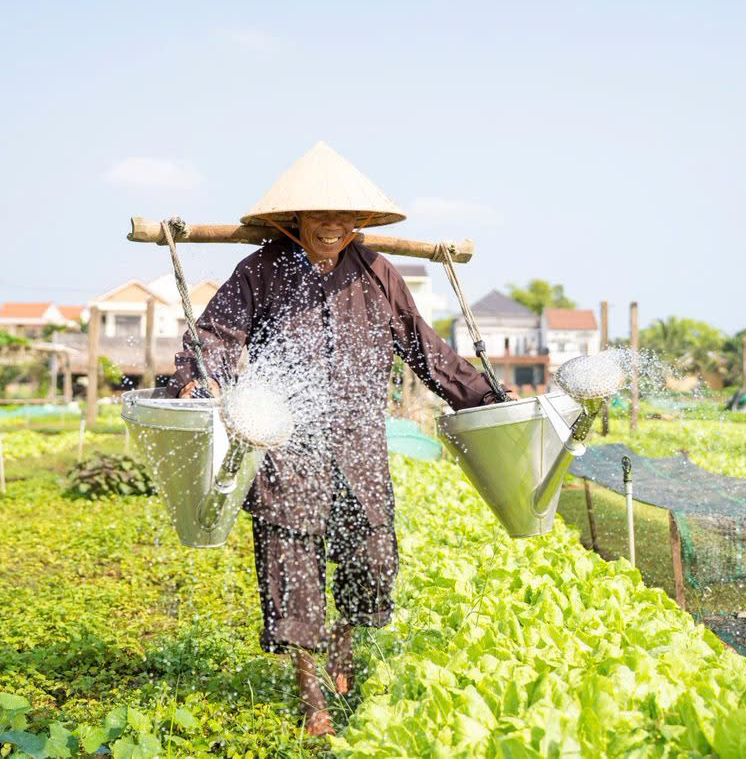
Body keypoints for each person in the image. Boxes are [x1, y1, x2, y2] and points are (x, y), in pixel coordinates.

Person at [169, 142, 504, 736]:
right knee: (291, 560)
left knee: (372, 555)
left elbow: (428, 350)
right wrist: (198, 376)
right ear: (294, 218)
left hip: (360, 447)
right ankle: (310, 691)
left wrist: (486, 398)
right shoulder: (261, 270)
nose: (334, 227)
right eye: (320, 216)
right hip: (286, 448)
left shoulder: (378, 275)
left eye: (347, 217)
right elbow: (215, 334)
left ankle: (345, 644)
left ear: (362, 222)